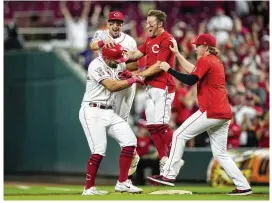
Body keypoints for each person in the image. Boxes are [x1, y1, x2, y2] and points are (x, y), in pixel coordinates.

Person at [148, 34, 252, 196]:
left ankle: (169, 175)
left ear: (206, 47)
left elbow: (190, 80)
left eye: (198, 45)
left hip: (211, 110)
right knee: (221, 154)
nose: (195, 47)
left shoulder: (205, 60)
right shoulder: (215, 61)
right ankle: (243, 186)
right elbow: (194, 72)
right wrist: (177, 54)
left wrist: (170, 70)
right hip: (224, 113)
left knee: (178, 136)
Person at [79, 44, 143, 195]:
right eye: (116, 59)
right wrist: (132, 81)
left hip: (109, 111)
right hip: (92, 111)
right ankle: (88, 188)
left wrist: (133, 76)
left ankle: (122, 183)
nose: (119, 61)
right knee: (98, 150)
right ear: (106, 57)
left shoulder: (115, 62)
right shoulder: (96, 65)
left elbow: (125, 71)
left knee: (130, 141)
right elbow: (112, 85)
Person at [126, 10, 180, 172]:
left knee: (161, 125)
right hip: (151, 87)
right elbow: (136, 54)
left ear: (160, 24)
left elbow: (159, 65)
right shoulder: (150, 39)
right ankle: (164, 159)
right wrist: (120, 56)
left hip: (163, 87)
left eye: (150, 22)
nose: (147, 25)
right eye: (147, 22)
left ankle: (176, 157)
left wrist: (140, 74)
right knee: (151, 126)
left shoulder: (167, 39)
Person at [90, 11, 140, 176]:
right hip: (107, 82)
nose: (116, 25)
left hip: (124, 84)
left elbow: (135, 67)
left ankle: (131, 154)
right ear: (108, 23)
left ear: (122, 25)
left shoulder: (130, 41)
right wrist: (104, 42)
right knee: (111, 123)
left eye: (119, 23)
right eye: (113, 22)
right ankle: (131, 153)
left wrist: (122, 62)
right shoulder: (101, 34)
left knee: (120, 121)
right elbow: (93, 46)